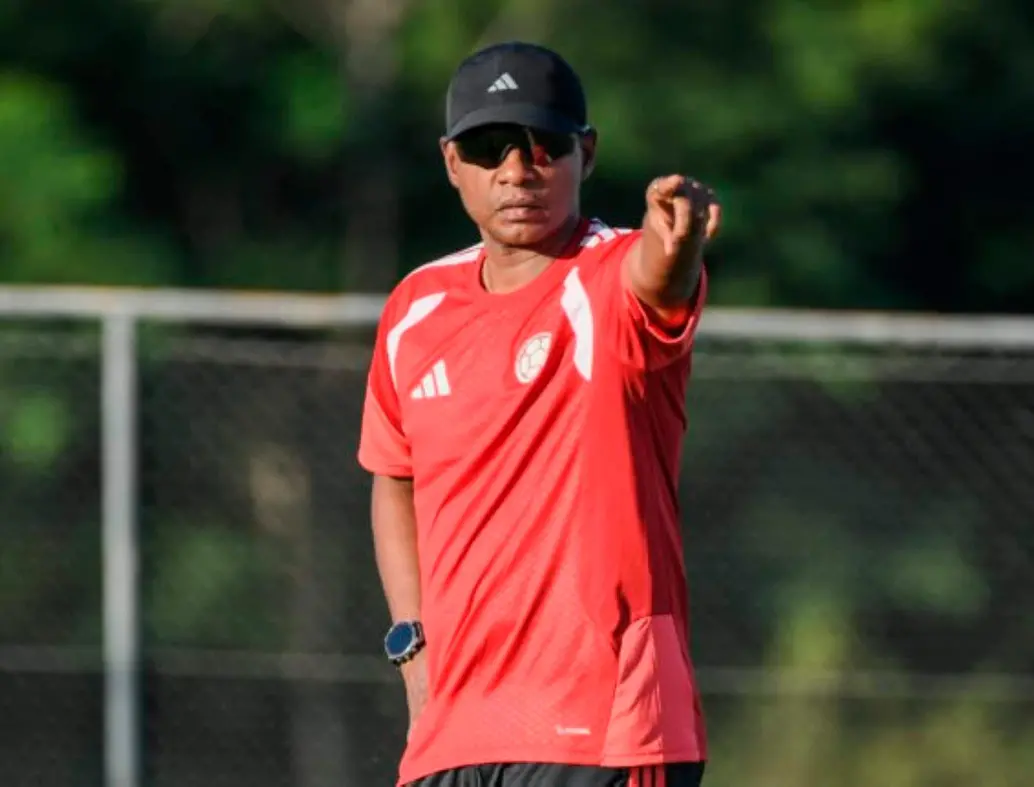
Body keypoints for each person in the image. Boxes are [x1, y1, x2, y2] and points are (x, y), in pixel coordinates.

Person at [358, 40, 721, 787]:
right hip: (452, 736)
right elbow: (395, 477)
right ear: (452, 162)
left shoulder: (612, 274)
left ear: (585, 155)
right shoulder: (414, 309)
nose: (517, 171)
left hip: (607, 728)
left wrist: (677, 242)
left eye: (543, 146)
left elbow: (658, 277)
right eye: (489, 148)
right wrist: (411, 644)